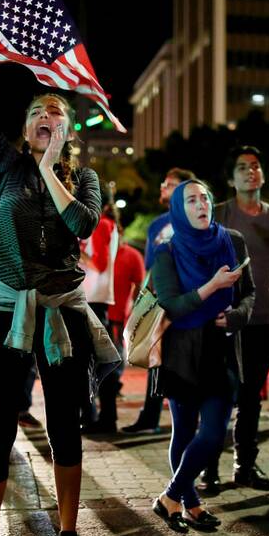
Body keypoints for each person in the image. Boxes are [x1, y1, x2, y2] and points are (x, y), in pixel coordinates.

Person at [0, 0, 119, 536]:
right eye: (38, 115)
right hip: (2, 311)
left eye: (58, 115)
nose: (48, 118)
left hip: (63, 315)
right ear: (25, 129)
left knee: (66, 425)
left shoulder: (88, 179)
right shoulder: (6, 163)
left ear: (68, 132)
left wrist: (52, 171)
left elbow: (80, 224)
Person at [151, 181, 254, 532]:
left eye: (205, 198)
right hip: (182, 350)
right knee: (183, 432)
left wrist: (237, 315)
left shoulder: (233, 241)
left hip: (221, 347)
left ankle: (169, 498)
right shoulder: (166, 252)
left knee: (212, 433)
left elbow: (249, 294)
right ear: (179, 209)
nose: (201, 205)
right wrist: (211, 287)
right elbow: (171, 305)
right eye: (191, 200)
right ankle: (191, 505)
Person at [203, 146, 269, 494]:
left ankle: (245, 465)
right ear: (231, 178)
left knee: (250, 397)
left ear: (263, 174)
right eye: (242, 167)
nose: (250, 172)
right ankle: (208, 467)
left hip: (258, 320)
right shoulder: (219, 214)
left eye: (255, 166)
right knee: (216, 394)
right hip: (220, 320)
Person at [121, 167, 196, 435]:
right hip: (161, 302)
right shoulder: (157, 225)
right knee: (156, 358)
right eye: (164, 182)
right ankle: (150, 416)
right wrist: (146, 302)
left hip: (191, 302)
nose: (164, 187)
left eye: (171, 183)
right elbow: (151, 267)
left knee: (190, 360)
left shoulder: (198, 220)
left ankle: (193, 418)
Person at [101, 224, 145, 434]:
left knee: (112, 362)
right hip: (94, 314)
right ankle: (97, 414)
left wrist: (133, 309)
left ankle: (107, 415)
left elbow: (140, 283)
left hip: (117, 319)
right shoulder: (97, 254)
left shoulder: (131, 256)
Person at [81, 192, 119, 433]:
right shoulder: (103, 224)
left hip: (93, 301)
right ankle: (99, 417)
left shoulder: (101, 224)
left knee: (97, 364)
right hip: (92, 301)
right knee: (95, 364)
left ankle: (103, 418)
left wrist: (75, 251)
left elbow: (99, 264)